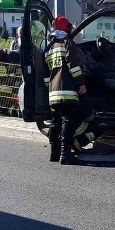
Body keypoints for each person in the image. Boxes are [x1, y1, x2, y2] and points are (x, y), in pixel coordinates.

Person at [44, 15, 88, 165]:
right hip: (67, 91)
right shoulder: (67, 44)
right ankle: (65, 155)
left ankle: (54, 154)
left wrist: (48, 90)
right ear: (66, 30)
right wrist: (81, 83)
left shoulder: (49, 49)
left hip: (53, 94)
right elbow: (73, 67)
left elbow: (46, 75)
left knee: (55, 123)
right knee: (69, 122)